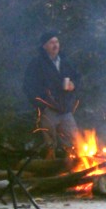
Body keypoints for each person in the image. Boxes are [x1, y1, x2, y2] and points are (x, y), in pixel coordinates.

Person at [23, 30, 81, 160]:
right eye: (51, 43)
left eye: (57, 42)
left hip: (65, 108)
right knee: (49, 144)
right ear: (44, 46)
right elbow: (28, 86)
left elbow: (78, 77)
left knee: (74, 141)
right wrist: (41, 106)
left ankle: (72, 167)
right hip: (48, 110)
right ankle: (49, 168)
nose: (55, 45)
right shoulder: (37, 64)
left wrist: (74, 84)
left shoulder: (66, 62)